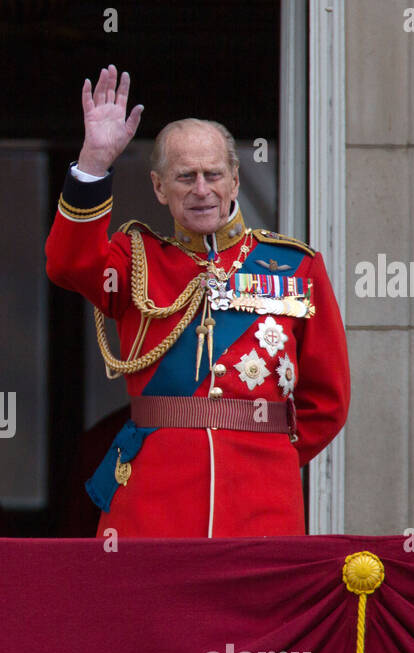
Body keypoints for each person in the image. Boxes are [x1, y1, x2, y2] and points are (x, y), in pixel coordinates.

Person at [46, 66, 350, 537]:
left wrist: (266, 452)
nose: (201, 189)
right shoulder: (137, 260)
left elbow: (327, 399)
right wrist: (93, 164)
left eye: (213, 174)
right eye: (185, 177)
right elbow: (68, 265)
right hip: (154, 502)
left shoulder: (295, 267)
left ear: (234, 179)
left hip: (262, 499)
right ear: (159, 188)